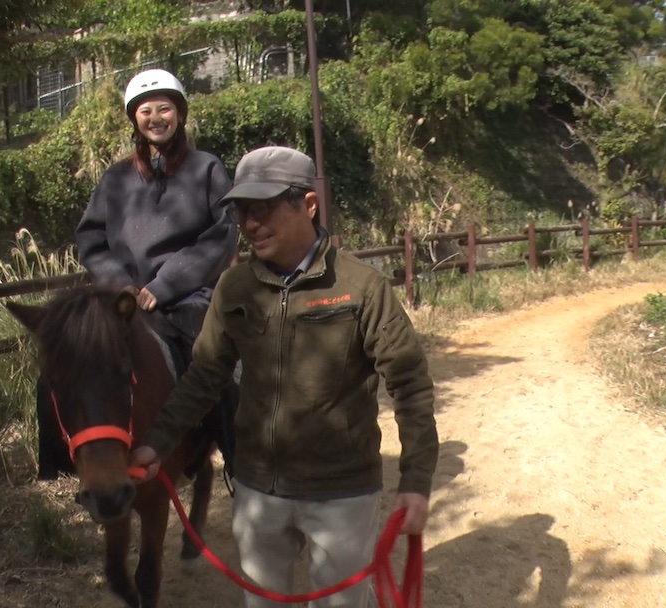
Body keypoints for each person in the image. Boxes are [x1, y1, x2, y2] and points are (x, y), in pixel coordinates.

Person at [130, 146, 439, 607]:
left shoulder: (361, 288)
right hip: (258, 492)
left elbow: (410, 385)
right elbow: (204, 375)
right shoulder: (234, 288)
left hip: (341, 493)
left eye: (265, 208)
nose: (251, 223)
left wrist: (415, 480)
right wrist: (155, 442)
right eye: (242, 211)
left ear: (308, 205)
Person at [30, 68, 238, 480]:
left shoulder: (206, 168)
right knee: (60, 366)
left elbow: (222, 235)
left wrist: (163, 286)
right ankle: (57, 462)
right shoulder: (116, 177)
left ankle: (235, 461)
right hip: (123, 296)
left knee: (219, 370)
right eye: (146, 110)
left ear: (179, 114)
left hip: (188, 294)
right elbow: (91, 239)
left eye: (165, 108)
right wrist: (121, 285)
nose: (156, 117)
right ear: (134, 119)